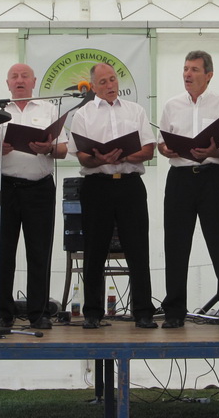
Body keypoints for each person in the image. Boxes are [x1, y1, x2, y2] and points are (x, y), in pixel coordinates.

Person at [68, 62, 157, 329]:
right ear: (93, 87)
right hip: (97, 185)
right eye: (103, 82)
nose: (110, 85)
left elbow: (149, 149)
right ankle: (92, 312)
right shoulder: (83, 115)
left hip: (130, 185)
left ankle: (143, 311)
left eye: (113, 79)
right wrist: (99, 159)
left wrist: (125, 156)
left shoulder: (135, 110)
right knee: (94, 249)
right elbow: (81, 155)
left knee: (137, 248)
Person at [158, 51, 219, 329]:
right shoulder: (171, 105)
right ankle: (174, 311)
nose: (187, 74)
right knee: (176, 244)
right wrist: (166, 149)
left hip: (212, 177)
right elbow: (161, 143)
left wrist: (215, 151)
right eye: (185, 69)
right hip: (180, 178)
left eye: (194, 69)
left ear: (209, 75)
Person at [0, 63, 68, 330]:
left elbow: (63, 150)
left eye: (24, 76)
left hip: (39, 188)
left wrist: (48, 148)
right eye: (14, 77)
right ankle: (1, 313)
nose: (19, 80)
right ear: (7, 83)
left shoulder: (49, 109)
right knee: (2, 252)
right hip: (5, 187)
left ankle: (38, 313)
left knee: (39, 251)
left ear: (33, 81)